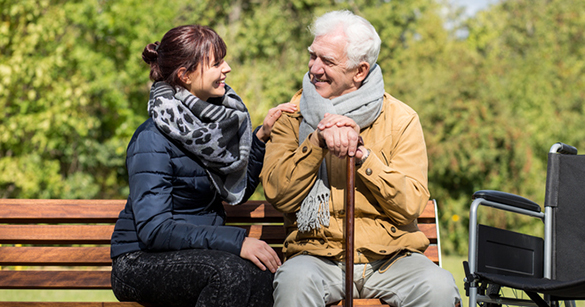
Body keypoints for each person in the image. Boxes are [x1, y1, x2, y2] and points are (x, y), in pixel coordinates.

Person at [260, 10, 461, 307]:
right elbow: (279, 194)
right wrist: (317, 141)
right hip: (317, 257)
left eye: (327, 61)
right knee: (295, 283)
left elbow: (411, 205)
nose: (314, 69)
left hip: (391, 260)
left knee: (439, 287)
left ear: (360, 71)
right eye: (313, 55)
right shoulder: (293, 115)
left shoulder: (401, 118)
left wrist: (363, 158)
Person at [110, 24, 296, 307]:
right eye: (217, 62)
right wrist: (238, 242)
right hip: (139, 260)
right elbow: (154, 229)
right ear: (185, 75)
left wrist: (260, 139)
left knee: (267, 277)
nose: (228, 68)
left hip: (197, 252)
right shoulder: (151, 139)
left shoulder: (210, 133)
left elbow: (234, 192)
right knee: (228, 275)